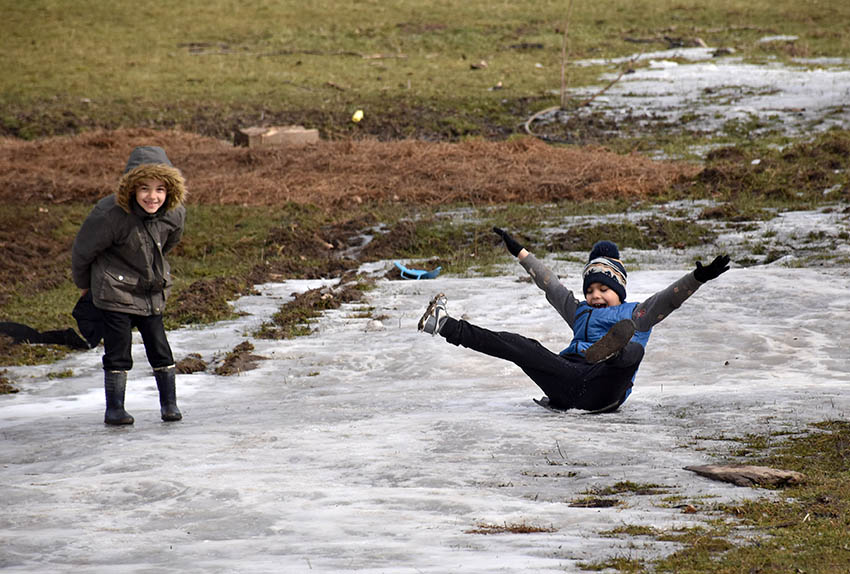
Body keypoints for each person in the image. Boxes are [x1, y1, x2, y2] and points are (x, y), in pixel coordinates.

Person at [418, 227, 730, 413]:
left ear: (619, 289)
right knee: (522, 346)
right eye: (590, 289)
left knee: (633, 350)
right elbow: (549, 283)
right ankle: (445, 325)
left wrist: (698, 277)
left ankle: (613, 351)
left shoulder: (636, 313)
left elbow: (669, 298)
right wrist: (520, 252)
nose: (595, 295)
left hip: (605, 389)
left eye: (604, 289)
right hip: (567, 382)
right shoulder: (578, 310)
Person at [71, 146, 186, 425]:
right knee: (118, 350)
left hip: (150, 291)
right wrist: (86, 286)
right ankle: (115, 409)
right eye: (144, 188)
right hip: (114, 291)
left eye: (160, 189)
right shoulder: (109, 213)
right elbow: (83, 251)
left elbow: (169, 242)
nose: (153, 196)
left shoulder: (173, 212)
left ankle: (169, 405)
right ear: (131, 188)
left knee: (160, 348)